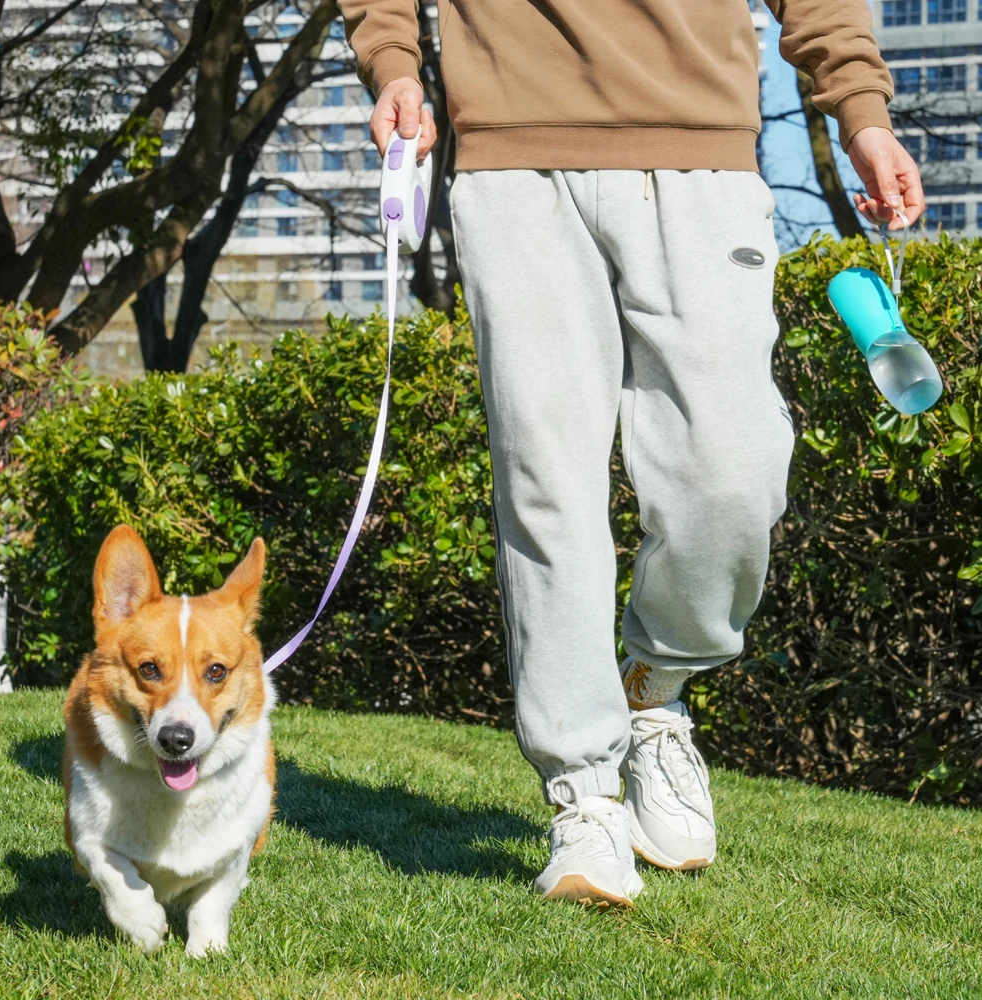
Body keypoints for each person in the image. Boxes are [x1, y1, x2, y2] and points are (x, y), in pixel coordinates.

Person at [339, 0, 925, 907]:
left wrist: (861, 111)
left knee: (732, 474)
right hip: (511, 147)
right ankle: (584, 795)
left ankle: (658, 688)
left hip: (703, 147)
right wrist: (395, 64)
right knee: (546, 480)